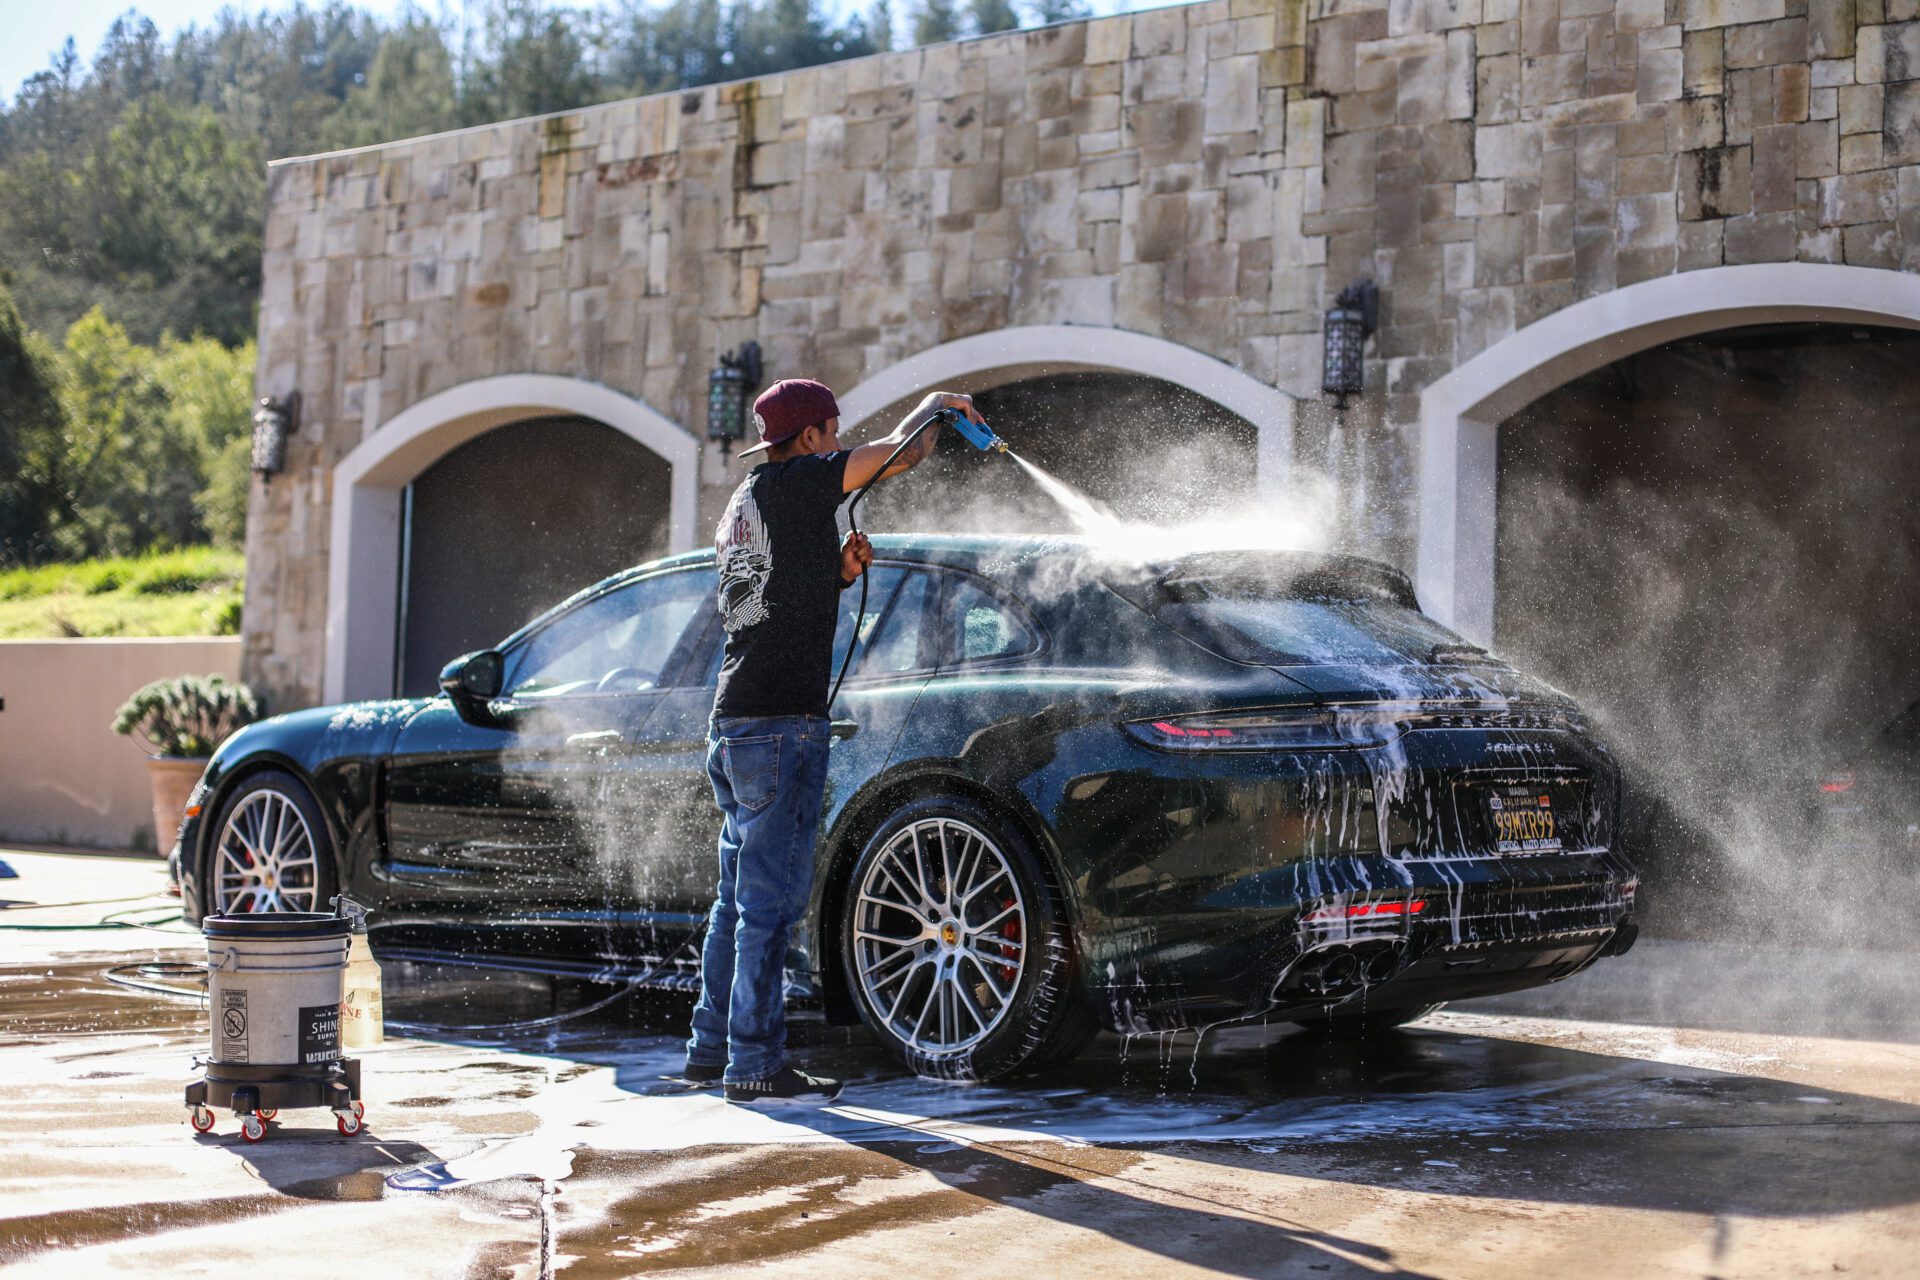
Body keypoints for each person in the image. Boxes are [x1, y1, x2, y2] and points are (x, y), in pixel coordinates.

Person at [685, 377, 986, 1107]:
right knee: (770, 903)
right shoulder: (798, 483)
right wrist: (939, 406)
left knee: (735, 899)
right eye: (835, 431)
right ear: (814, 435)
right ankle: (754, 1064)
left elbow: (769, 594)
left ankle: (713, 1044)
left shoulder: (748, 500)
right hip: (781, 722)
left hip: (736, 720)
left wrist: (839, 573)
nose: (841, 442)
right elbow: (900, 457)